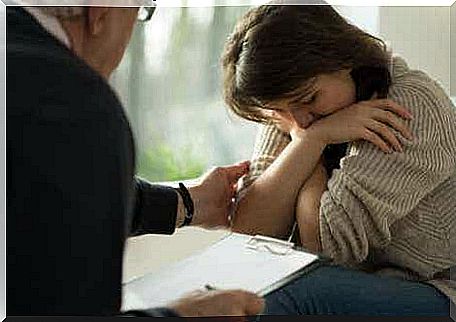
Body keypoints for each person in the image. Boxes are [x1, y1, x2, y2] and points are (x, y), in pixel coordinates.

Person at [7, 2, 265, 317]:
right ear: (101, 11)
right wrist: (181, 316)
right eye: (141, 10)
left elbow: (40, 194)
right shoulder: (75, 109)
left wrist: (188, 203)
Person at [221, 3, 455, 316]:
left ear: (343, 58)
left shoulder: (410, 106)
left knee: (286, 296)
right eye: (279, 111)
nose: (299, 120)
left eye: (309, 100)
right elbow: (248, 235)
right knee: (238, 288)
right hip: (366, 281)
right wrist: (313, 139)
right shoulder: (293, 105)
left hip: (438, 287)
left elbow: (325, 247)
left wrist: (310, 143)